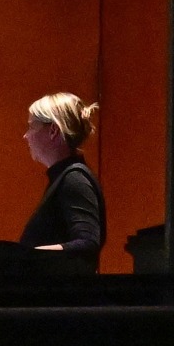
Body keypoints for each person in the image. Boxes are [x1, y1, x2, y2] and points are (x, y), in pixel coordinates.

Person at [19, 92, 107, 270]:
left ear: (53, 130)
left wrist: (24, 256)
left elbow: (87, 243)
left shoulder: (74, 179)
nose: (26, 136)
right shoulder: (66, 177)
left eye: (32, 126)